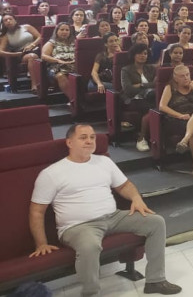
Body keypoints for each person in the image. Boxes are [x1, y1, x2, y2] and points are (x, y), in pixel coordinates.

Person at [29, 124, 182, 296]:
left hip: (113, 217)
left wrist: (136, 198)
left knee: (156, 222)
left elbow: (124, 185)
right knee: (89, 246)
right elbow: (37, 211)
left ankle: (155, 281)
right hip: (77, 226)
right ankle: (91, 293)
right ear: (69, 142)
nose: (89, 141)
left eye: (92, 137)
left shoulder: (104, 161)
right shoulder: (51, 173)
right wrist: (41, 243)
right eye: (83, 137)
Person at [159, 64, 193, 177]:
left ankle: (184, 140)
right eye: (182, 76)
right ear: (175, 78)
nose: (186, 78)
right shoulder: (170, 87)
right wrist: (180, 115)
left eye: (187, 75)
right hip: (178, 120)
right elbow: (162, 106)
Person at [121, 43, 157, 151]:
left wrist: (141, 85)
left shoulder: (151, 68)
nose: (143, 56)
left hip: (150, 97)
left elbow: (156, 84)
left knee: (157, 105)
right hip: (132, 99)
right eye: (139, 53)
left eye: (145, 53)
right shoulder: (126, 70)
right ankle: (141, 138)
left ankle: (154, 136)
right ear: (133, 55)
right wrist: (148, 86)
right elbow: (128, 90)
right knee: (152, 108)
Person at [41, 23, 77, 96]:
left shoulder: (75, 42)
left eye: (67, 30)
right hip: (56, 68)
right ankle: (73, 100)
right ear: (56, 31)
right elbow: (44, 56)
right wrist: (58, 61)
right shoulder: (51, 43)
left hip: (74, 66)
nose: (64, 32)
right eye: (62, 29)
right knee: (61, 76)